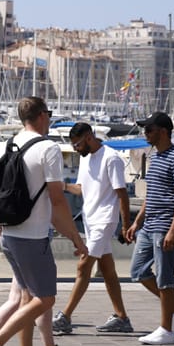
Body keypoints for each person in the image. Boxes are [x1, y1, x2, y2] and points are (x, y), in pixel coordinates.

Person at [0, 96, 87, 346]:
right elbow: (57, 201)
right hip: (32, 236)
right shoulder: (48, 148)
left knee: (27, 297)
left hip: (9, 233)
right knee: (45, 298)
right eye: (49, 113)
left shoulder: (9, 144)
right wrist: (75, 237)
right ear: (41, 116)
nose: (50, 118)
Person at [0, 160, 78, 346]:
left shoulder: (12, 172)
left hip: (15, 239)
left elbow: (4, 209)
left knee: (27, 299)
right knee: (36, 299)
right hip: (31, 242)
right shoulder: (34, 173)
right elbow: (54, 208)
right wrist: (76, 238)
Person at [53, 122, 133, 334]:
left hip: (104, 220)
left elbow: (122, 194)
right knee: (107, 270)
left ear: (89, 137)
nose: (76, 149)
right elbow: (80, 189)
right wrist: (61, 186)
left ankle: (65, 317)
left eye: (77, 145)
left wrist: (126, 226)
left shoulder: (111, 158)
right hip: (91, 220)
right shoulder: (86, 158)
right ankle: (122, 317)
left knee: (83, 266)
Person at [126, 112, 174, 345]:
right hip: (150, 224)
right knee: (138, 271)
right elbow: (151, 194)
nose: (145, 133)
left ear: (163, 132)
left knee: (165, 277)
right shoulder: (155, 157)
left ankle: (166, 330)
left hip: (166, 224)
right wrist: (137, 221)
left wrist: (173, 231)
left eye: (149, 129)